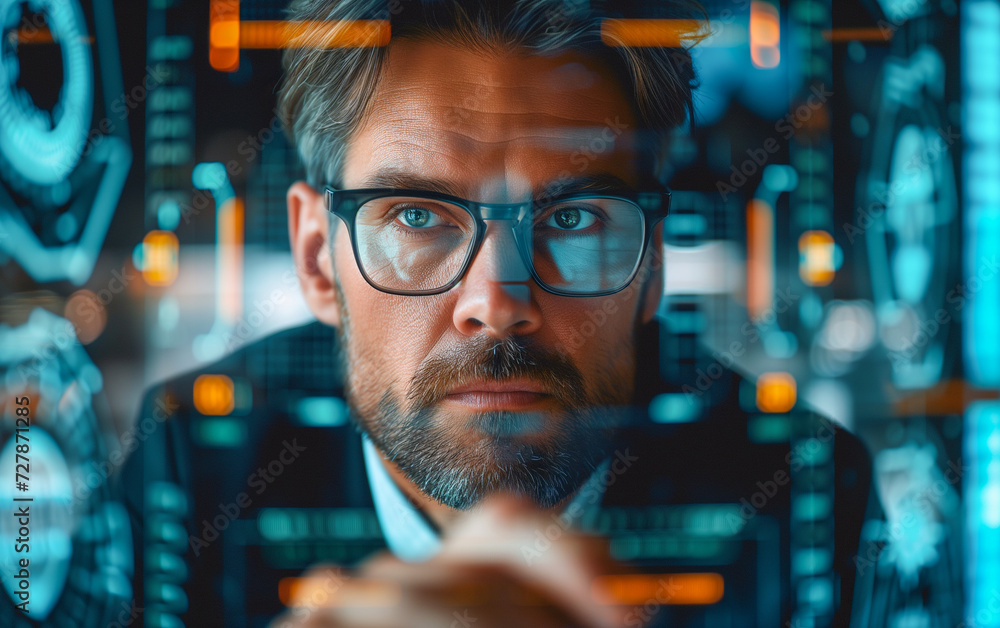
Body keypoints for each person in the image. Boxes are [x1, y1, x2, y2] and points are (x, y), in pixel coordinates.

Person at [122, 1, 882, 626]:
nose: (497, 305)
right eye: (417, 218)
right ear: (318, 259)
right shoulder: (188, 478)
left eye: (576, 219)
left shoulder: (807, 497)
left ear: (652, 263)